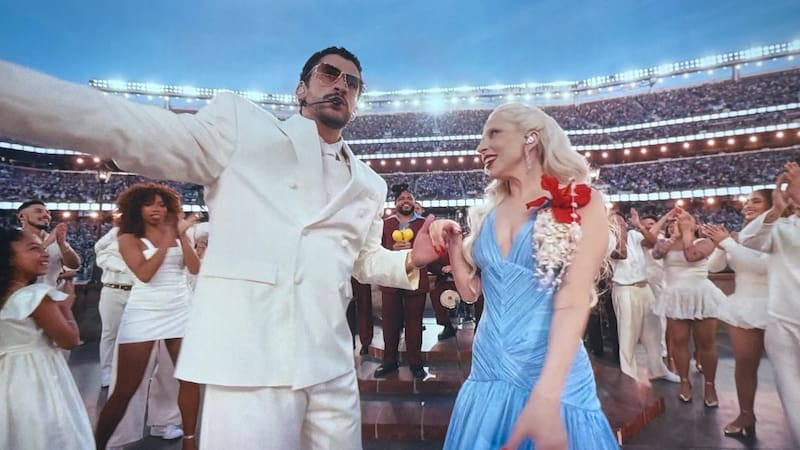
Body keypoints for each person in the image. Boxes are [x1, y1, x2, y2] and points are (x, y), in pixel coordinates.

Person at [0, 47, 439, 449]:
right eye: (329, 73)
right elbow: (130, 126)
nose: (341, 84)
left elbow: (361, 258)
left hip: (331, 362)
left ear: (357, 101)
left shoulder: (369, 183)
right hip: (249, 360)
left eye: (352, 82)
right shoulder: (241, 127)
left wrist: (410, 259)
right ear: (301, 89)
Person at [431, 103, 618, 450]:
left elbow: (573, 298)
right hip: (488, 371)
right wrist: (454, 244)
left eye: (493, 133)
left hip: (551, 378)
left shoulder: (580, 202)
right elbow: (471, 293)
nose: (481, 147)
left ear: (531, 138)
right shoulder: (487, 215)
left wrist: (547, 394)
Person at [94, 183, 201, 450]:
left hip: (180, 308)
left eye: (162, 204)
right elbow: (144, 273)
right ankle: (98, 443)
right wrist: (168, 239)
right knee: (125, 388)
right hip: (144, 311)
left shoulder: (178, 233)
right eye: (149, 204)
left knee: (188, 378)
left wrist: (182, 237)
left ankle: (190, 440)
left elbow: (194, 267)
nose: (157, 209)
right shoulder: (127, 237)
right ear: (136, 208)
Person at [0, 227, 94, 450]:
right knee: (49, 430)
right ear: (9, 258)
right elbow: (69, 340)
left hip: (7, 373)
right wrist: (67, 308)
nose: (44, 254)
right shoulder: (35, 296)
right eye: (34, 249)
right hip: (36, 373)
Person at [702, 189, 773, 439]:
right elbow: (714, 267)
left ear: (772, 206)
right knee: (744, 365)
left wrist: (729, 243)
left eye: (756, 201)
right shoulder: (739, 235)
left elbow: (763, 265)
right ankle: (746, 415)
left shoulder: (778, 230)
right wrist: (721, 245)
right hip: (744, 306)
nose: (748, 205)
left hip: (776, 305)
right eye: (747, 201)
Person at [742, 162, 800, 445]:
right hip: (781, 321)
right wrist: (776, 211)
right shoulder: (780, 226)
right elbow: (748, 240)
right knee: (792, 395)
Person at [651, 211, 725, 407]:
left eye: (686, 220)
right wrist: (674, 237)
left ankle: (710, 385)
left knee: (706, 343)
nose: (681, 222)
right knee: (679, 341)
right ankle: (684, 381)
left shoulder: (705, 242)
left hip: (701, 294)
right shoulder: (666, 243)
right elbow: (656, 253)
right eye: (678, 220)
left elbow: (691, 255)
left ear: (695, 224)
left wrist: (686, 235)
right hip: (675, 296)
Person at [609, 212, 678, 383]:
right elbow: (621, 253)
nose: (620, 224)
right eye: (615, 222)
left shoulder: (634, 235)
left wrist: (639, 226)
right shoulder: (605, 240)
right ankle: (629, 374)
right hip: (624, 289)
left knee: (654, 332)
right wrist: (620, 234)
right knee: (628, 334)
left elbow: (653, 243)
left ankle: (658, 370)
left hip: (644, 287)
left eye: (621, 221)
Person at [375, 184, 429, 379]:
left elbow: (432, 249)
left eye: (409, 198)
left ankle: (415, 362)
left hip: (416, 279)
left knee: (414, 323)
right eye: (402, 198)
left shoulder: (424, 224)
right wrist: (391, 252)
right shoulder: (385, 224)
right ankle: (389, 360)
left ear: (414, 202)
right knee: (390, 323)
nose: (406, 201)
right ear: (395, 203)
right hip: (391, 279)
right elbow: (376, 250)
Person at [17, 199, 81, 287]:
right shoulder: (11, 237)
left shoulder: (55, 239)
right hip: (20, 294)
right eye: (38, 211)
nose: (46, 215)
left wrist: (62, 245)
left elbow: (75, 265)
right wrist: (47, 243)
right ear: (21, 216)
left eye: (48, 213)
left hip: (50, 293)